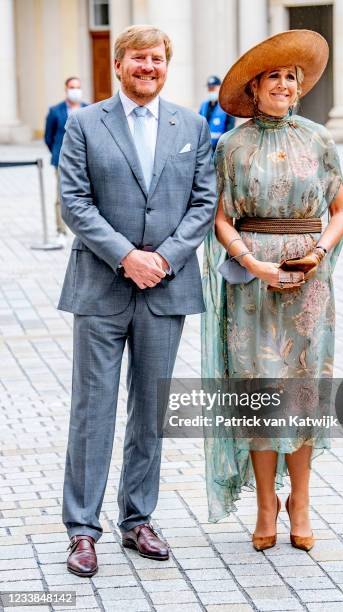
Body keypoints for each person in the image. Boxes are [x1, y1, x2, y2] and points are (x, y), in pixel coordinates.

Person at [58, 25, 216, 577]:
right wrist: (127, 256)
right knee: (92, 410)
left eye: (157, 59)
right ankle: (81, 529)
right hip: (101, 286)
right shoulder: (84, 123)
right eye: (138, 58)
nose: (148, 66)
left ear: (165, 66)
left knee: (150, 411)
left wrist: (165, 258)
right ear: (119, 64)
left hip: (166, 289)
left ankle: (137, 519)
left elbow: (203, 203)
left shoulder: (192, 126)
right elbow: (73, 202)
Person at [202, 30, 343, 552]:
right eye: (275, 77)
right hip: (252, 285)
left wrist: (321, 253)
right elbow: (221, 219)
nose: (285, 84)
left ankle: (301, 502)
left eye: (292, 77)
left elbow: (341, 209)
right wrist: (251, 262)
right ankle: (266, 502)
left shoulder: (319, 139)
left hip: (310, 284)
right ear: (254, 87)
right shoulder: (231, 146)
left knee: (303, 391)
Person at [44, 77, 88, 245]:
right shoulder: (55, 111)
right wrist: (57, 153)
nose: (75, 90)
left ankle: (85, 231)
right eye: (72, 87)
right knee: (61, 196)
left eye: (77, 87)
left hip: (86, 161)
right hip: (62, 161)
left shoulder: (89, 108)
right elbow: (48, 136)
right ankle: (61, 231)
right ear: (66, 89)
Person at [199, 75, 235, 151]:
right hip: (205, 149)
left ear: (220, 88)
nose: (211, 91)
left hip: (220, 148)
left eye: (213, 88)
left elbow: (229, 130)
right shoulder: (204, 106)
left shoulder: (227, 107)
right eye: (209, 88)